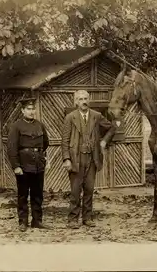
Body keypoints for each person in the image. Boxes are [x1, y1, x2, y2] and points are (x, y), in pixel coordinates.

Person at [61, 90, 117, 229]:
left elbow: (112, 128)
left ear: (89, 100)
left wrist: (104, 141)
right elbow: (65, 140)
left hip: (92, 159)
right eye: (80, 99)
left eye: (85, 98)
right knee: (75, 191)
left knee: (89, 189)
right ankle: (73, 219)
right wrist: (66, 159)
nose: (84, 102)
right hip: (76, 159)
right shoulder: (70, 117)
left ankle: (87, 218)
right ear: (76, 102)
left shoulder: (96, 116)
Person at [7, 97, 50, 232]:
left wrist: (42, 158)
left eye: (33, 109)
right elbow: (11, 148)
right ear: (23, 110)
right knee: (23, 195)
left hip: (38, 165)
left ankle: (37, 221)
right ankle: (23, 222)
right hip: (23, 166)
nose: (32, 112)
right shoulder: (16, 126)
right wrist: (16, 166)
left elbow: (45, 143)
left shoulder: (40, 125)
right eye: (29, 109)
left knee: (38, 195)